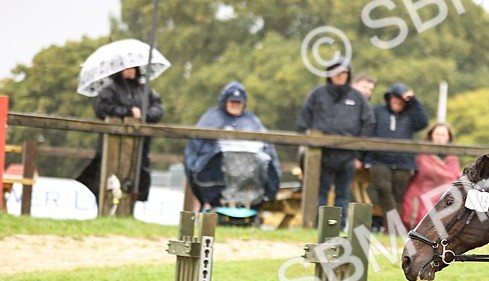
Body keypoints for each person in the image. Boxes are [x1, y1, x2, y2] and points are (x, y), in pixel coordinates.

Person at [184, 81, 280, 212]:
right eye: (232, 102)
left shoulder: (253, 121)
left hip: (249, 179)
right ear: (225, 102)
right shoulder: (211, 119)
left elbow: (268, 149)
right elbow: (195, 148)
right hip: (218, 176)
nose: (235, 106)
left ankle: (250, 206)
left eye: (238, 103)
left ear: (244, 104)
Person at [297, 58, 373, 218]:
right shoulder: (317, 94)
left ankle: (340, 227)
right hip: (321, 154)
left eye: (343, 72)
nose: (340, 76)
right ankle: (317, 226)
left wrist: (359, 154)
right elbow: (304, 121)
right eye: (336, 72)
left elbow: (368, 123)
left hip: (348, 156)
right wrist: (307, 144)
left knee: (343, 194)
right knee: (321, 192)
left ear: (348, 74)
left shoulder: (358, 98)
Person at [76, 66, 164, 203]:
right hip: (113, 140)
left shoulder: (145, 90)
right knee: (107, 172)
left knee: (138, 172)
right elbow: (102, 109)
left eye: (133, 68)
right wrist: (127, 112)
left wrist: (143, 115)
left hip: (140, 141)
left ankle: (133, 202)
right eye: (126, 68)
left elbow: (158, 110)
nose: (130, 70)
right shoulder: (110, 89)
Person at [365, 82, 428, 224]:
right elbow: (367, 131)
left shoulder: (410, 116)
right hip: (379, 159)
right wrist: (363, 156)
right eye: (395, 97)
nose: (398, 101)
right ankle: (395, 226)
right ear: (389, 98)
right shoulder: (378, 111)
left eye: (402, 99)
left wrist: (413, 100)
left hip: (404, 162)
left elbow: (423, 122)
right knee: (383, 189)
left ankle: (392, 230)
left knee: (399, 196)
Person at [401, 121, 461, 230]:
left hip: (444, 192)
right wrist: (442, 175)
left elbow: (454, 176)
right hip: (422, 189)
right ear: (431, 135)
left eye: (443, 135)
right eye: (437, 134)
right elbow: (425, 171)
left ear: (448, 138)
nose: (439, 138)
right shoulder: (422, 154)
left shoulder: (452, 157)